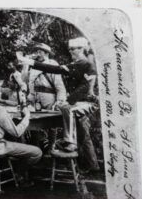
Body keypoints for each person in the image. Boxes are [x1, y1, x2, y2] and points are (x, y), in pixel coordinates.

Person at [22, 37, 100, 174]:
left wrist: (68, 100)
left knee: (82, 132)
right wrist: (30, 62)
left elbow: (85, 88)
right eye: (70, 49)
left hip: (85, 103)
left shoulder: (88, 65)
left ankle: (75, 149)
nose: (70, 51)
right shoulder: (75, 64)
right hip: (76, 104)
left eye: (73, 49)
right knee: (83, 134)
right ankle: (90, 165)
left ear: (82, 49)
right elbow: (54, 69)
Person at [25, 43, 66, 110]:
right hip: (35, 99)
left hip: (49, 99)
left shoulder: (52, 64)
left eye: (40, 52)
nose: (37, 54)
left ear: (47, 53)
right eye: (36, 52)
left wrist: (59, 102)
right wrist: (25, 64)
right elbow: (25, 81)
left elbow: (59, 86)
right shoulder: (33, 67)